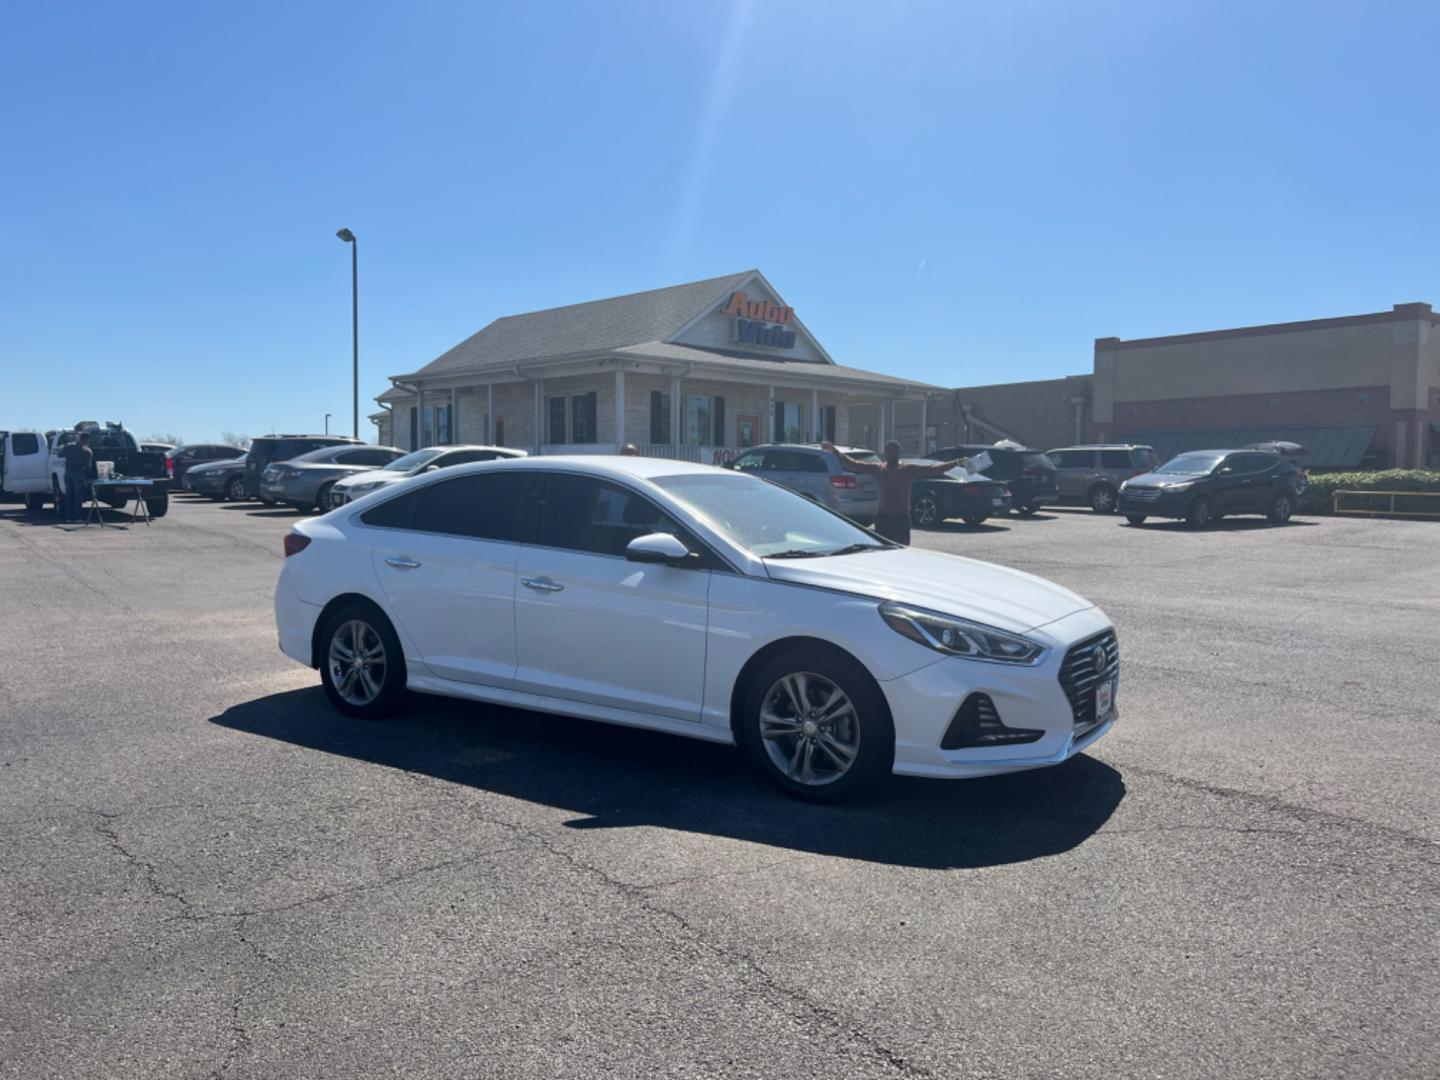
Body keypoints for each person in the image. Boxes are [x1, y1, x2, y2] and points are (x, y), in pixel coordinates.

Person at [821, 439, 965, 545]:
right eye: (889, 450)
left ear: (899, 453)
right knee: (883, 552)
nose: (892, 453)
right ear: (885, 452)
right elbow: (853, 464)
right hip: (883, 518)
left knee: (901, 551)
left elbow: (935, 469)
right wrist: (834, 451)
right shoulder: (877, 469)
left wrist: (957, 462)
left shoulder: (909, 469)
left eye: (895, 450)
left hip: (901, 519)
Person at [60, 432, 95, 523]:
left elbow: (59, 454)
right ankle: (78, 517)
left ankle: (68, 517)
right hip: (79, 474)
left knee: (69, 496)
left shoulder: (68, 447)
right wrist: (92, 476)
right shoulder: (87, 451)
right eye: (88, 440)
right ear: (86, 440)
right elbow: (88, 467)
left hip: (68, 473)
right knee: (78, 497)